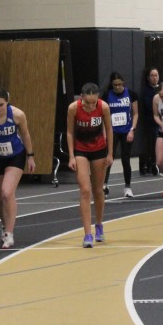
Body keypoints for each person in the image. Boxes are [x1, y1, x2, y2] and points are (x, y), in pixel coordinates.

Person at [0, 87, 36, 249]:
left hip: (15, 156)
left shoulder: (17, 115)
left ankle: (9, 233)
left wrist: (31, 156)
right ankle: (4, 224)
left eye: (1, 105)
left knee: (7, 192)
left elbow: (25, 135)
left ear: (7, 102)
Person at [68, 82, 114, 248]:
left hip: (99, 149)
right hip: (80, 149)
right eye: (87, 103)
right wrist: (71, 156)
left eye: (93, 102)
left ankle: (99, 224)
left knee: (98, 190)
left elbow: (109, 129)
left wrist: (110, 153)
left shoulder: (104, 107)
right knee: (85, 190)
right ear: (81, 98)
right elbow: (69, 131)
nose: (90, 106)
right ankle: (87, 234)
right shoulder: (73, 108)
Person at [102, 72, 138, 198]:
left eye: (120, 84)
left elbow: (135, 113)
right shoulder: (107, 95)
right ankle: (104, 186)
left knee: (125, 159)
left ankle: (127, 187)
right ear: (111, 85)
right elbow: (103, 115)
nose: (117, 87)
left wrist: (132, 129)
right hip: (112, 131)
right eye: (115, 85)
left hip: (127, 130)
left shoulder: (131, 94)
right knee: (108, 159)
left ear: (123, 83)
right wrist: (105, 132)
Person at [138, 67, 161, 177]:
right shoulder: (146, 91)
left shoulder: (161, 88)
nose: (154, 78)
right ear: (148, 77)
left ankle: (159, 164)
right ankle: (150, 164)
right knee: (152, 144)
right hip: (151, 122)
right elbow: (149, 106)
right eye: (152, 75)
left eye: (156, 75)